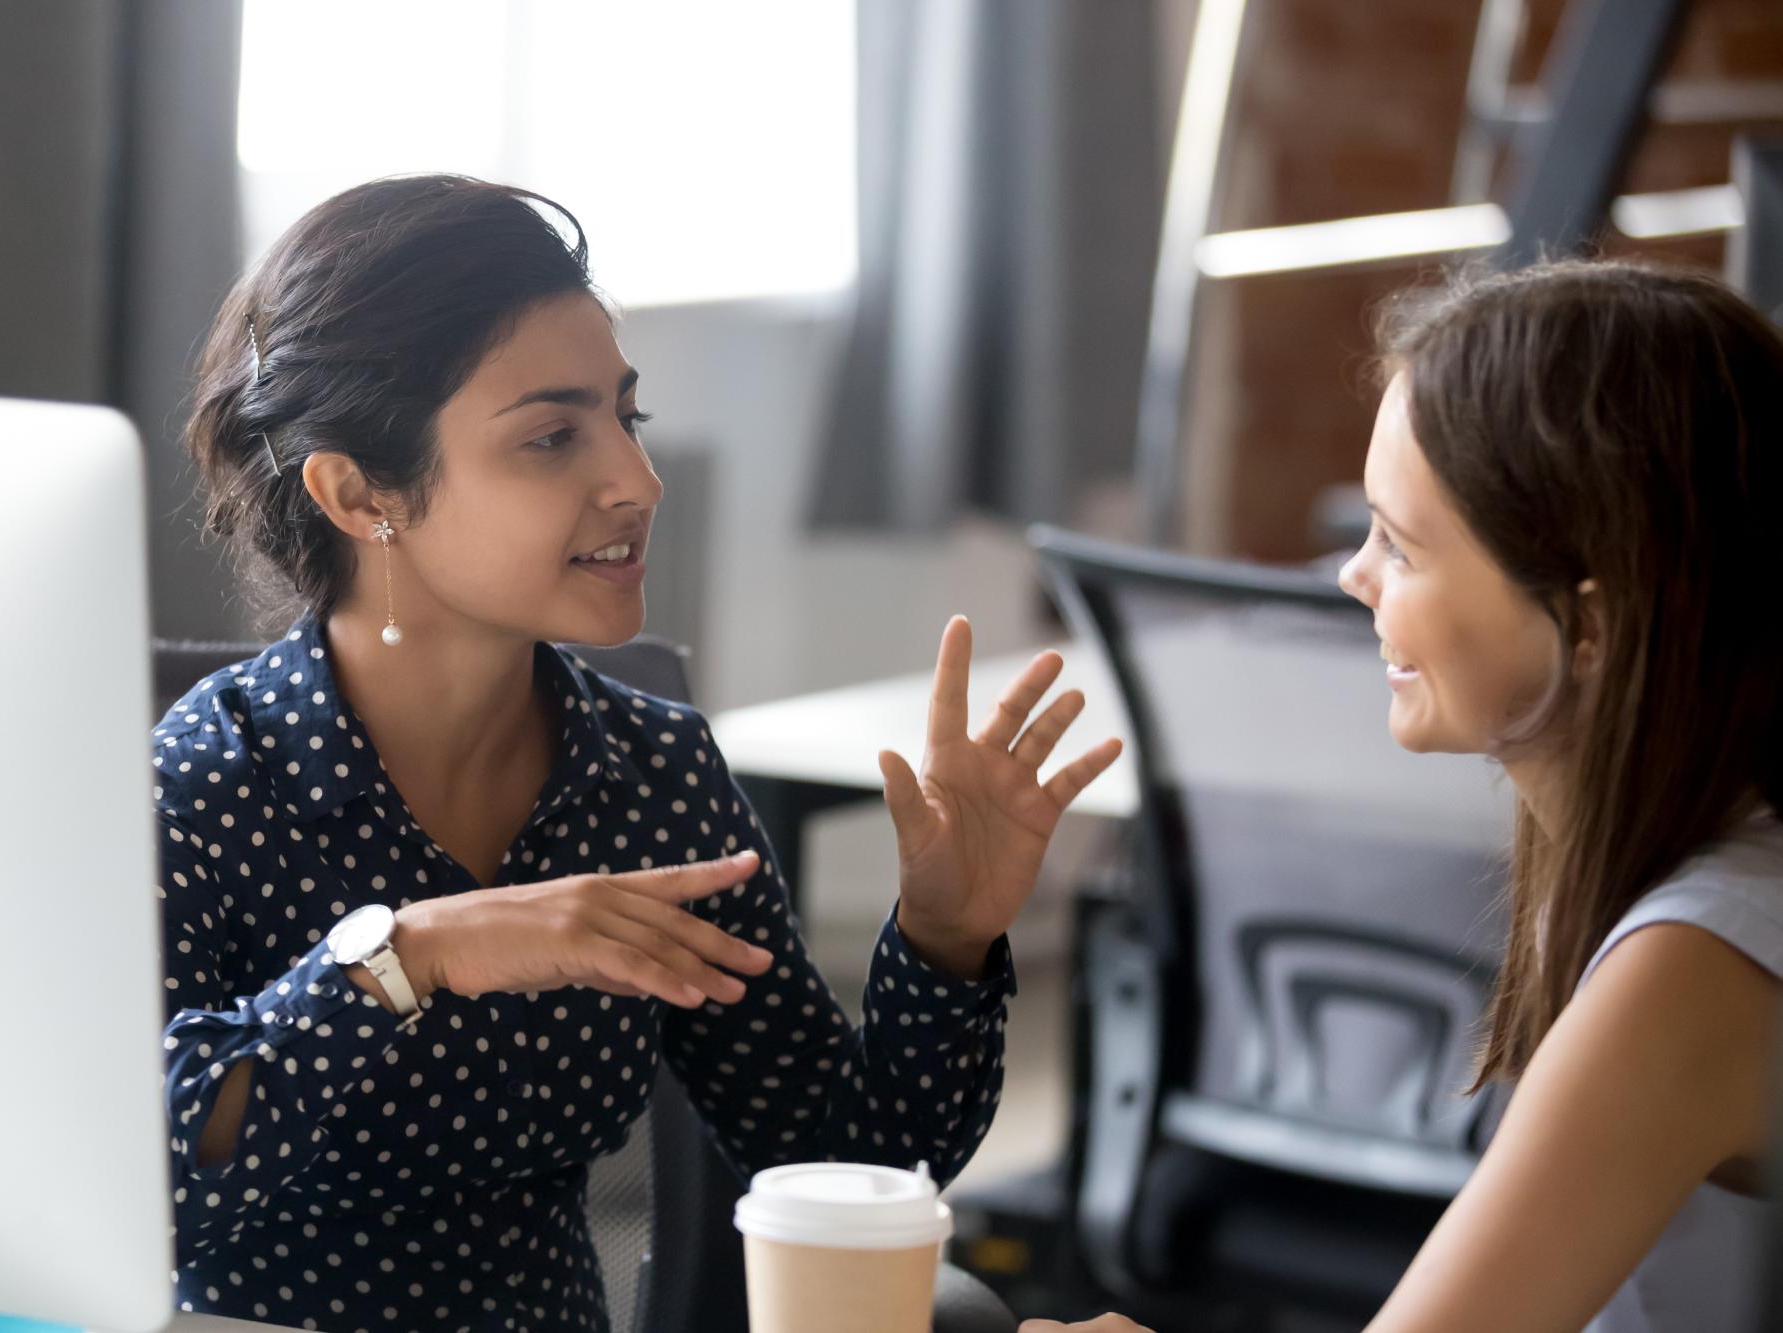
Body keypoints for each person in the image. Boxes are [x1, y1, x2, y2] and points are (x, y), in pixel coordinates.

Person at [152, 173, 1123, 1332]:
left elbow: (846, 1161)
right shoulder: (209, 780)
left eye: (626, 416)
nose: (636, 479)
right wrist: (411, 954)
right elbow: (142, 1177)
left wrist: (945, 937)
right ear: (360, 492)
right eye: (553, 436)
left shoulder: (650, 777)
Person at [1027, 259, 1783, 1333]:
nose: (1352, 575)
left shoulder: (1692, 962)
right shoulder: (1653, 862)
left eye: (1400, 543)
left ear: (1590, 626)